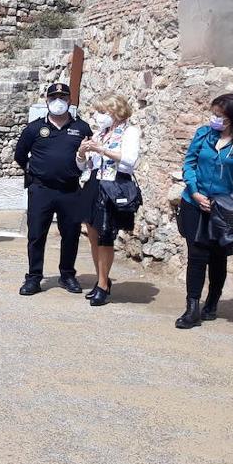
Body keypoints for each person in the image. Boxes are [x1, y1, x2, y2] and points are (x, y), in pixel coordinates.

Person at [175, 93, 233, 328]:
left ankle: (212, 300)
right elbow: (189, 163)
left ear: (232, 118)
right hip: (193, 203)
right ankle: (192, 308)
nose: (214, 119)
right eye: (213, 114)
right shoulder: (203, 134)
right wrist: (194, 191)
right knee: (197, 255)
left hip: (223, 209)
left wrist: (228, 199)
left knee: (218, 256)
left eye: (219, 116)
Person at [14, 82, 92, 296]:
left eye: (63, 98)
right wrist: (34, 172)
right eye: (54, 98)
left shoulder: (81, 128)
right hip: (41, 190)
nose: (59, 102)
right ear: (47, 101)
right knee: (37, 235)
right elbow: (20, 155)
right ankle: (34, 277)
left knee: (71, 234)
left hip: (70, 190)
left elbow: (90, 155)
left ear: (69, 100)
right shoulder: (35, 128)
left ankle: (67, 274)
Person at [76, 94, 142, 307]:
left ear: (115, 112)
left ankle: (103, 284)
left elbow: (130, 160)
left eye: (103, 112)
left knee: (106, 235)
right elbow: (85, 167)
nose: (98, 116)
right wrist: (82, 153)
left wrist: (102, 150)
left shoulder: (130, 131)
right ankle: (101, 279)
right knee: (93, 233)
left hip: (114, 185)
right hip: (95, 184)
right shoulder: (100, 133)